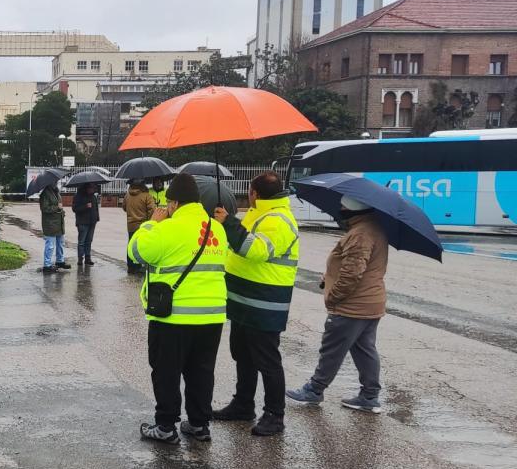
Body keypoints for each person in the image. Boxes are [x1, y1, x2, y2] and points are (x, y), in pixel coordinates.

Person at [127, 172, 229, 444]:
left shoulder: (167, 227)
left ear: (173, 204)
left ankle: (165, 427)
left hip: (173, 315)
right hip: (212, 315)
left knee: (166, 372)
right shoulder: (216, 228)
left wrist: (151, 224)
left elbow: (136, 253)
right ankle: (198, 424)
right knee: (202, 371)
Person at [210, 171, 299, 437]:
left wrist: (230, 224)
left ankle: (274, 414)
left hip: (265, 302)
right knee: (243, 354)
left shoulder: (278, 219)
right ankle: (243, 403)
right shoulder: (258, 213)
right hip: (244, 300)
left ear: (254, 192)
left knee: (267, 360)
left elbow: (256, 250)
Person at [286, 196, 389, 414]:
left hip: (353, 304)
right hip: (370, 302)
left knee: (332, 348)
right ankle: (369, 395)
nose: (340, 209)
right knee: (364, 349)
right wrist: (329, 277)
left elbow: (352, 273)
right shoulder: (371, 227)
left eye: (343, 206)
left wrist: (333, 295)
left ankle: (314, 390)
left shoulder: (360, 234)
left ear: (353, 209)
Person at [122, 181, 156, 275]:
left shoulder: (127, 195)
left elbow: (124, 207)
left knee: (130, 244)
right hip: (142, 225)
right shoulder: (146, 195)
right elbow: (152, 209)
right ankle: (139, 267)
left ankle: (131, 267)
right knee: (141, 246)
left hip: (131, 225)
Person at [39, 181, 70, 273]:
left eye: (56, 181)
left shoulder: (56, 192)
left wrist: (62, 212)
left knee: (60, 244)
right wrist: (57, 207)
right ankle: (47, 265)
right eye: (54, 181)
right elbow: (44, 208)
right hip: (50, 224)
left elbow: (59, 207)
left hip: (59, 223)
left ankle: (60, 261)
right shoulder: (45, 194)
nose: (56, 182)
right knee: (50, 245)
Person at [71, 182, 100, 266]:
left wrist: (97, 218)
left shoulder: (93, 196)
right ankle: (80, 259)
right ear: (86, 188)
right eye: (91, 188)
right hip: (82, 222)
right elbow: (74, 208)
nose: (93, 190)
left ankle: (88, 258)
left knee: (89, 241)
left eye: (94, 188)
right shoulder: (78, 196)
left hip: (92, 222)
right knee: (82, 242)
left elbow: (96, 208)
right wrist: (85, 206)